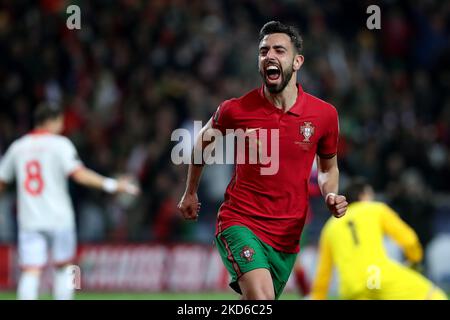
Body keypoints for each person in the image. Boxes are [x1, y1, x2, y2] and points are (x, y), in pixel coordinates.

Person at [177, 21, 348, 300]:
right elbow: (203, 144)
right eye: (263, 50)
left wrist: (331, 194)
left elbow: (328, 167)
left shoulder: (324, 115)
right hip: (240, 222)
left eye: (279, 50)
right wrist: (190, 191)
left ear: (297, 61)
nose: (269, 56)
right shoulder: (236, 110)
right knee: (262, 300)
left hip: (287, 236)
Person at [0, 103, 140, 300]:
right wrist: (111, 184)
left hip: (30, 219)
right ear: (52, 120)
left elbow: (1, 181)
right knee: (66, 268)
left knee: (30, 271)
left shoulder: (18, 147)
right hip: (60, 218)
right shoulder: (60, 144)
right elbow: (79, 174)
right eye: (60, 122)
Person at [310, 177, 447, 300]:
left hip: (349, 287)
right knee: (435, 295)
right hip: (376, 277)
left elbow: (323, 272)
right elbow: (409, 239)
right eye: (370, 194)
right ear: (363, 195)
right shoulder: (375, 209)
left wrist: (317, 296)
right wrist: (415, 261)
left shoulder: (330, 227)